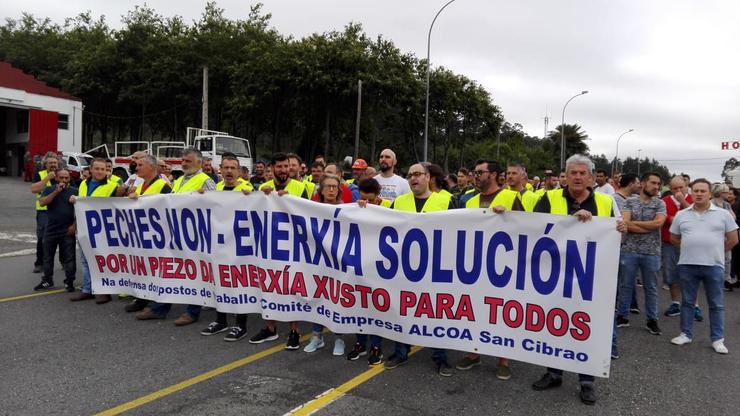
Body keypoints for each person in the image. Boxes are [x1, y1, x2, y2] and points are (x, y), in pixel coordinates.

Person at [531, 154, 625, 406]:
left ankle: (587, 381)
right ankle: (554, 372)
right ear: (566, 175)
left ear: (592, 177)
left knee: (587, 326)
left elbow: (618, 234)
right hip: (554, 275)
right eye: (573, 172)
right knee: (554, 323)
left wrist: (621, 230)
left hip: (592, 278)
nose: (578, 177)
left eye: (583, 173)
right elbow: (534, 230)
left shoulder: (606, 201)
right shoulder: (548, 198)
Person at [384, 163, 454, 376]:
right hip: (404, 268)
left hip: (435, 268)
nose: (413, 178)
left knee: (434, 313)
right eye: (410, 175)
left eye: (418, 174)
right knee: (401, 309)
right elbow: (379, 222)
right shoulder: (399, 201)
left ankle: (440, 357)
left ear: (428, 177)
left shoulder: (446, 201)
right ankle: (400, 352)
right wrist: (362, 207)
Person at [456, 159, 523, 380]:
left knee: (501, 312)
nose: (475, 175)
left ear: (493, 174)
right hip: (474, 266)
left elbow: (527, 230)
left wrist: (510, 217)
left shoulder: (511, 198)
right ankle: (474, 353)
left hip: (503, 267)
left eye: (479, 172)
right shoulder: (470, 201)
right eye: (474, 172)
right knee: (474, 310)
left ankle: (504, 359)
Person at [135, 148, 215, 326]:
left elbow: (215, 206)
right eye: (183, 160)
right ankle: (159, 308)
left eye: (188, 161)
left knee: (195, 273)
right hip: (175, 233)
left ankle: (192, 312)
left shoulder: (206, 181)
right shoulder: (178, 180)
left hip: (195, 235)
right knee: (170, 270)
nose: (183, 163)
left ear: (199, 163)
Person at [669, 179, 738, 354]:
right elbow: (674, 238)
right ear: (691, 193)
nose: (699, 194)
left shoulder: (723, 214)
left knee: (716, 304)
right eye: (696, 191)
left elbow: (733, 239)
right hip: (687, 265)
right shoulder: (682, 214)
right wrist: (690, 248)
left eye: (703, 191)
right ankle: (685, 334)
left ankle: (717, 339)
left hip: (713, 265)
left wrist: (715, 251)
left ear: (709, 193)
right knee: (687, 302)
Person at [248, 153, 309, 349]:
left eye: (286, 166)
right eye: (280, 167)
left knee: (292, 287)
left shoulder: (300, 188)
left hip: (292, 245)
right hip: (267, 245)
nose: (284, 170)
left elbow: (309, 213)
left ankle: (294, 331)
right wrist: (253, 196)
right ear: (272, 168)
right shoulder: (263, 188)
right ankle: (270, 328)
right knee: (267, 285)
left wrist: (289, 201)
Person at [200, 154, 252, 341]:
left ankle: (241, 325)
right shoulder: (216, 189)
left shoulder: (247, 189)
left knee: (239, 284)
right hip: (218, 244)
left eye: (233, 168)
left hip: (239, 246)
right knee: (218, 282)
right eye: (226, 167)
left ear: (239, 171)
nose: (229, 171)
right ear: (220, 169)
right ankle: (220, 320)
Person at [616, 173, 666, 335]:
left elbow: (658, 223)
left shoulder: (660, 204)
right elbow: (624, 223)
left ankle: (652, 320)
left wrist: (632, 224)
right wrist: (647, 226)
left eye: (658, 184)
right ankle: (622, 316)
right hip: (629, 250)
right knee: (626, 284)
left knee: (651, 287)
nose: (656, 187)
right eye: (653, 183)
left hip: (652, 252)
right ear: (643, 183)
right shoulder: (629, 201)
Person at [303, 174, 347, 355]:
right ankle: (317, 337)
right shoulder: (311, 208)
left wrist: (362, 207)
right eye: (327, 186)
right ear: (320, 190)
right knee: (317, 297)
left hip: (338, 263)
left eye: (334, 187)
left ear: (338, 190)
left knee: (336, 299)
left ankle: (339, 338)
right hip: (317, 261)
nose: (330, 190)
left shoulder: (347, 210)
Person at [347, 178, 391, 365]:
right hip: (360, 262)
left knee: (376, 307)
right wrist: (358, 208)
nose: (368, 202)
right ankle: (360, 342)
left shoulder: (390, 206)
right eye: (364, 198)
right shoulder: (357, 206)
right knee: (359, 305)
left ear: (378, 195)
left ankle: (376, 346)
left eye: (371, 199)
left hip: (381, 264)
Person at [123, 155, 172, 312]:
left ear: (151, 167)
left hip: (157, 236)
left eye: (140, 165)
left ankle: (158, 305)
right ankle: (143, 298)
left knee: (159, 270)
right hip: (142, 235)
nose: (136, 168)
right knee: (144, 268)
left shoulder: (163, 185)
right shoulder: (139, 185)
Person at [69, 158, 121, 303]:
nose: (100, 172)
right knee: (86, 261)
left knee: (103, 260)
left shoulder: (113, 187)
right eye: (97, 169)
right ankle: (88, 289)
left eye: (103, 169)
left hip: (103, 230)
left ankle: (106, 291)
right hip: (84, 227)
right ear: (90, 169)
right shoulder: (83, 184)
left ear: (107, 171)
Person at [34, 169, 77, 292]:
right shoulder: (49, 189)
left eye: (66, 178)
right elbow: (42, 203)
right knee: (47, 257)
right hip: (51, 230)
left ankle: (69, 281)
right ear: (56, 178)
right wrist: (56, 192)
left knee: (69, 258)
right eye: (61, 177)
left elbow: (81, 210)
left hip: (67, 230)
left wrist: (74, 226)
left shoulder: (74, 191)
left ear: (69, 179)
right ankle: (47, 280)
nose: (64, 180)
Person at [661, 176, 695, 318]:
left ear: (686, 185)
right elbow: (662, 218)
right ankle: (675, 303)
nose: (679, 191)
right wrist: (671, 219)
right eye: (675, 188)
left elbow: (696, 215)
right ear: (670, 188)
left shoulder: (694, 199)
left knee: (692, 275)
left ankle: (694, 305)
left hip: (690, 243)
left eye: (681, 187)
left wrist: (682, 201)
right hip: (669, 242)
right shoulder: (664, 201)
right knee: (671, 274)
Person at [30, 152, 59, 273]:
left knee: (62, 238)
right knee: (42, 238)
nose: (53, 165)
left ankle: (64, 261)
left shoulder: (63, 174)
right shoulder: (40, 174)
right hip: (44, 212)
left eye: (55, 162)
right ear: (45, 164)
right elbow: (34, 189)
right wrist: (47, 178)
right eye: (50, 163)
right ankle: (39, 263)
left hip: (59, 211)